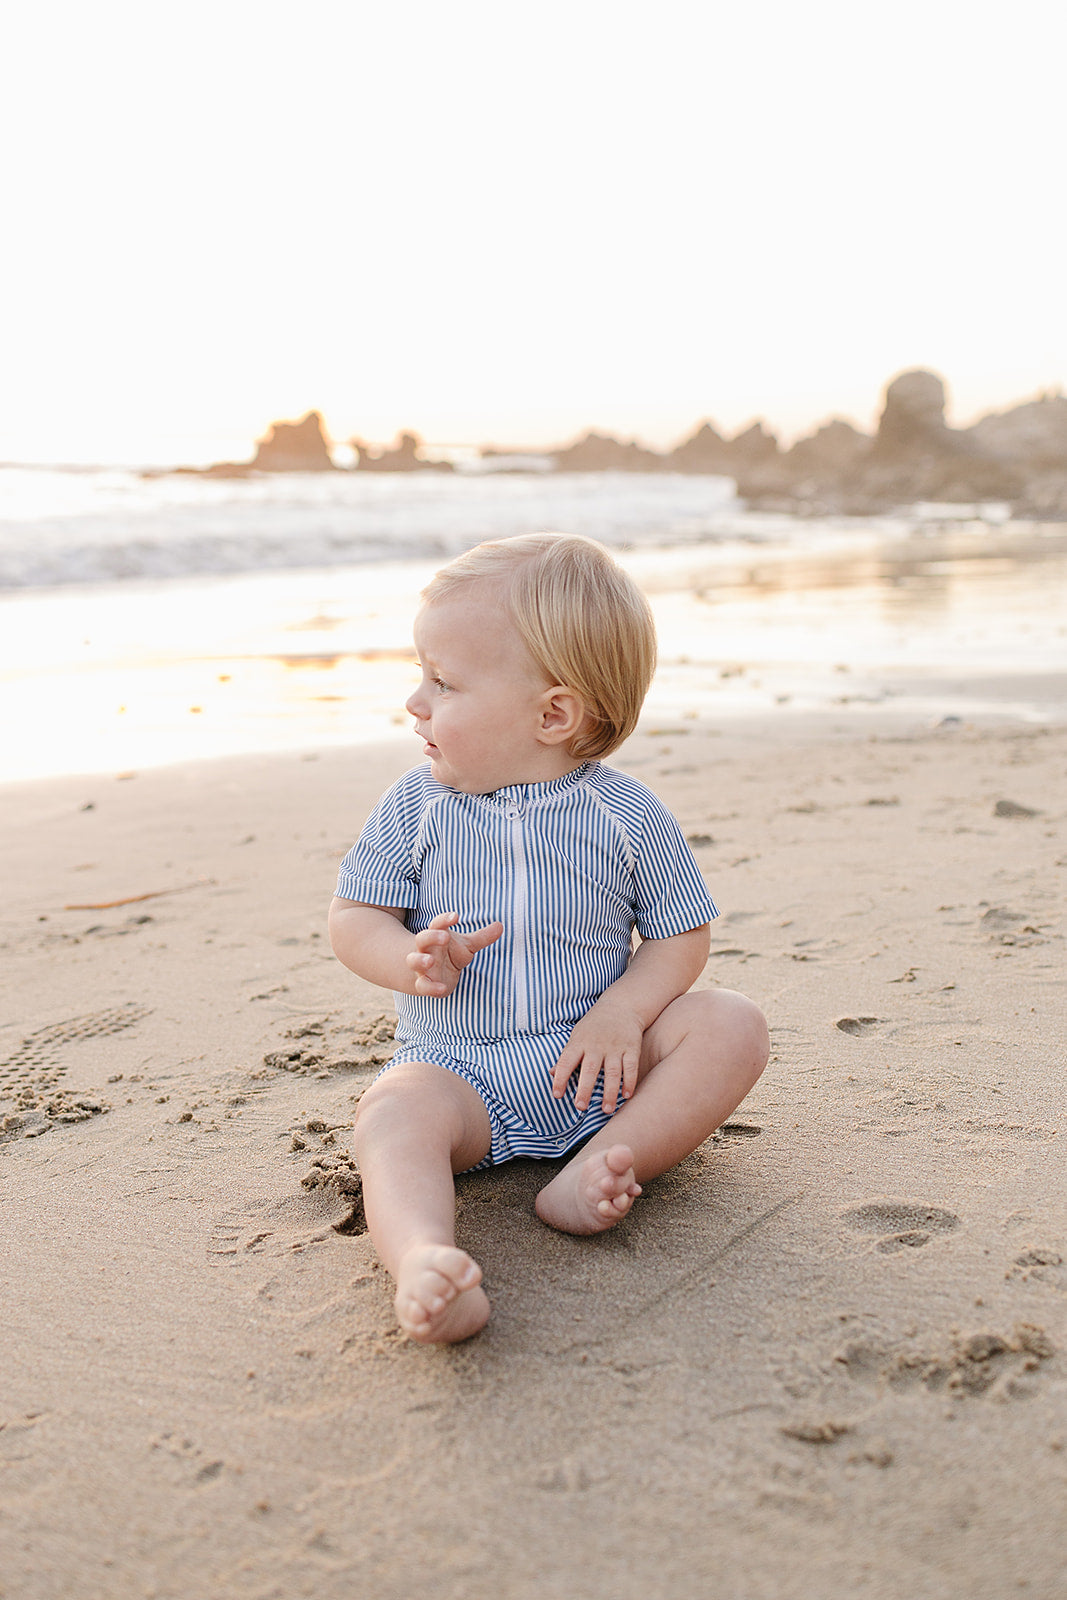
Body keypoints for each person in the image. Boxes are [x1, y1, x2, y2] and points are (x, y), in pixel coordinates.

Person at [329, 533, 769, 1344]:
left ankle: (606, 1164)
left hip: (601, 1071)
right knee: (392, 1114)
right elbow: (354, 919)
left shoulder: (624, 815)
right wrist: (407, 958)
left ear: (553, 713)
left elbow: (680, 939)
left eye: (443, 682)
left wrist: (623, 1013)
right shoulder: (413, 807)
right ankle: (426, 1262)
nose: (414, 701)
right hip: (461, 1078)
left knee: (730, 1023)